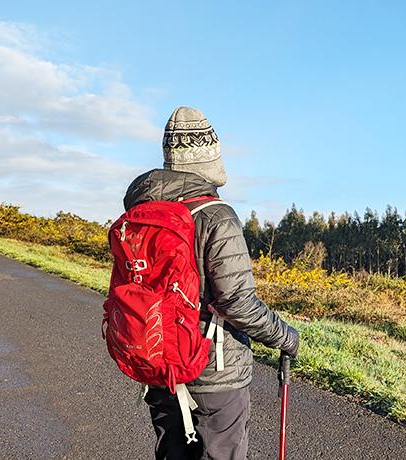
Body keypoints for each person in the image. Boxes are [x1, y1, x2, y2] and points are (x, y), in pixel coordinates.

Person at [123, 106, 299, 460]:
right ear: (209, 160)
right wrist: (286, 336)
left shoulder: (140, 214)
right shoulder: (216, 215)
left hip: (158, 362)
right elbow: (236, 302)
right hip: (213, 372)